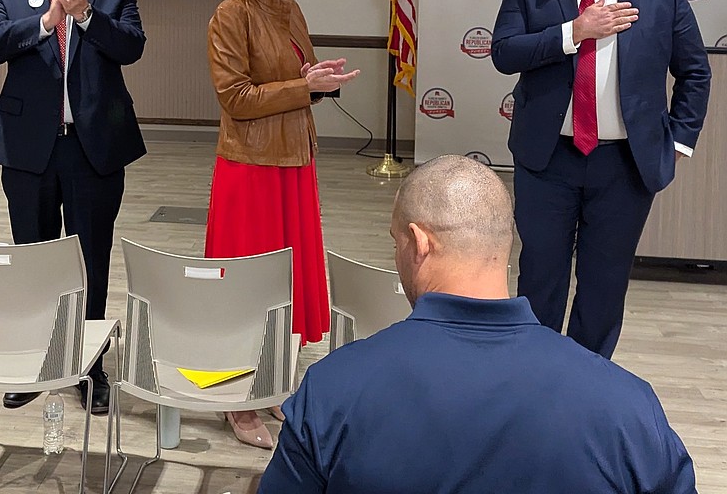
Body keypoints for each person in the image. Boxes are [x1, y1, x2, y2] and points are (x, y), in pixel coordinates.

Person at [259, 155, 696, 493]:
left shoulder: (332, 391)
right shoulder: (628, 408)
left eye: (396, 242)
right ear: (502, 244)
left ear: (419, 242)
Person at [491, 0, 711, 359]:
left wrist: (679, 141)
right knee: (540, 276)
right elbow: (505, 53)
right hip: (547, 161)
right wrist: (575, 31)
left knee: (604, 283)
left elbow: (694, 71)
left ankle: (585, 379)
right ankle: (533, 372)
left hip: (625, 165)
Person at [0, 0, 146, 415]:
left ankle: (88, 364)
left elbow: (131, 47)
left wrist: (86, 14)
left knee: (90, 257)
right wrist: (48, 21)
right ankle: (37, 358)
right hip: (29, 149)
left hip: (93, 148)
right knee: (34, 257)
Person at [205, 0, 359, 449]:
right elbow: (236, 98)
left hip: (295, 161)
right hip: (250, 168)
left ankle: (267, 383)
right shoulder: (231, 13)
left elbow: (299, 80)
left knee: (284, 288)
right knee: (248, 289)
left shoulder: (290, 8)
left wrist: (319, 82)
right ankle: (235, 399)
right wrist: (303, 87)